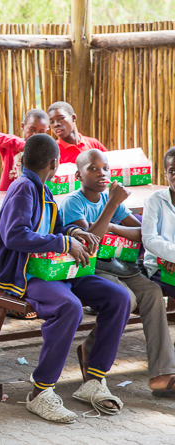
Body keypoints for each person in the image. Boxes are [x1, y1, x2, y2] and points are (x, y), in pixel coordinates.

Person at [0, 134, 131, 423]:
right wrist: (64, 243)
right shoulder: (24, 188)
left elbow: (53, 229)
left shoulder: (42, 189)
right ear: (54, 164)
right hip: (22, 273)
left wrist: (74, 234)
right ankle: (41, 391)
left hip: (52, 269)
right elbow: (15, 236)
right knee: (69, 307)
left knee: (119, 297)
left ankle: (94, 381)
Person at [60, 149, 175, 397]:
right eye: (93, 168)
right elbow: (90, 243)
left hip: (122, 267)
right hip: (93, 270)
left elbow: (142, 233)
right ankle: (91, 350)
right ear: (78, 173)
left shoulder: (108, 201)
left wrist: (111, 224)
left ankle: (163, 373)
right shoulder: (74, 202)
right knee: (127, 298)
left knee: (153, 293)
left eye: (105, 168)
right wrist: (112, 206)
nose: (101, 173)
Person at [142, 146, 175, 301]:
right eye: (172, 171)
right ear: (165, 175)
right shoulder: (154, 201)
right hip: (159, 267)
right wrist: (171, 256)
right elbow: (150, 239)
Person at [0, 109, 49, 192]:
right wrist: (23, 146)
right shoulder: (11, 146)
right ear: (23, 126)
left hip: (29, 195)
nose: (35, 134)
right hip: (6, 194)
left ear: (46, 132)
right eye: (31, 130)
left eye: (41, 132)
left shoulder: (46, 152)